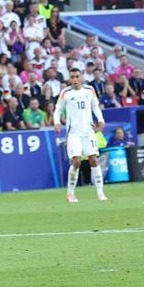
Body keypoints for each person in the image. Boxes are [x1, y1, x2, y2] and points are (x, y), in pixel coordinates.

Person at [55, 70, 107, 202]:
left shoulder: (89, 90)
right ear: (70, 79)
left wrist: (100, 119)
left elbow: (95, 106)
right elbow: (58, 110)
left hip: (88, 132)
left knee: (94, 159)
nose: (75, 79)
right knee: (76, 161)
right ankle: (70, 193)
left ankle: (100, 192)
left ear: (81, 77)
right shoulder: (65, 93)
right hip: (74, 133)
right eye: (72, 77)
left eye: (77, 76)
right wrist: (56, 123)